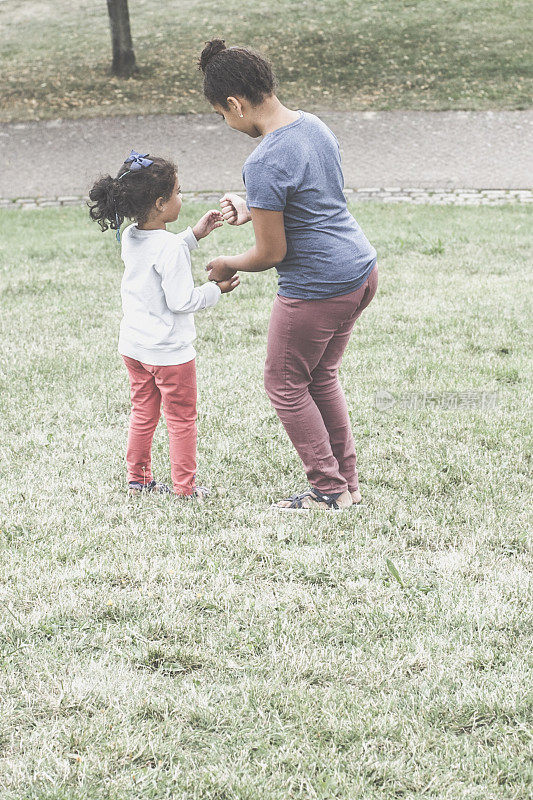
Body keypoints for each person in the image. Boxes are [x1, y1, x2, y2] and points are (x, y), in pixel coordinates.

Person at [198, 40, 378, 512]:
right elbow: (311, 199)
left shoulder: (262, 161)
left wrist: (229, 262)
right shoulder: (313, 126)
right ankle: (347, 486)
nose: (227, 123)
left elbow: (272, 251)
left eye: (222, 115)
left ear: (235, 104)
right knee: (320, 377)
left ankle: (327, 490)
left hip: (317, 288)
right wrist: (249, 206)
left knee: (284, 383)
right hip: (360, 270)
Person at [88, 150, 239, 499]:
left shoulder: (130, 236)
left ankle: (138, 480)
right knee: (182, 419)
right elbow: (181, 300)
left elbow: (159, 250)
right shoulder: (169, 248)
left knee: (143, 413)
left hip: (135, 348)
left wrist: (193, 235)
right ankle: (185, 489)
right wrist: (214, 290)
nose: (181, 198)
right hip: (170, 354)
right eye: (177, 193)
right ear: (160, 203)